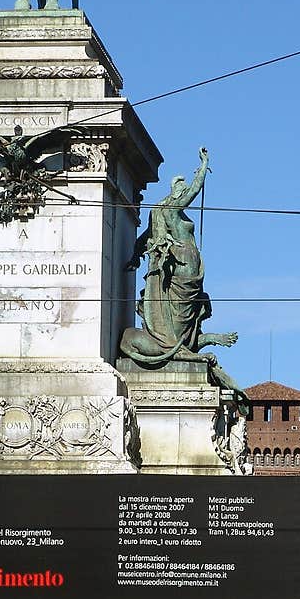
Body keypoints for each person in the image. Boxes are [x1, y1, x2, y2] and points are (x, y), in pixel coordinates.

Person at [119, 148, 247, 411]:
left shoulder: (159, 211)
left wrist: (134, 257)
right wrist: (203, 167)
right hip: (183, 267)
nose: (183, 190)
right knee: (179, 320)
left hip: (180, 270)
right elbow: (194, 191)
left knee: (181, 320)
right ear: (175, 190)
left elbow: (145, 238)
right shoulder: (172, 207)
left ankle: (179, 344)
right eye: (180, 186)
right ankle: (176, 345)